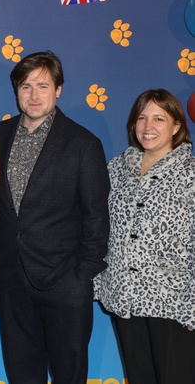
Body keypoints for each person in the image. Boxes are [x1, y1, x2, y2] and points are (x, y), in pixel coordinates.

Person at [0, 51, 110, 383]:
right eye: (26, 86)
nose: (34, 95)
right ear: (17, 90)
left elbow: (97, 218)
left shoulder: (83, 144)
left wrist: (80, 276)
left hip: (64, 282)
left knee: (68, 375)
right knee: (21, 373)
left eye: (43, 86)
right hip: (11, 281)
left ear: (58, 90)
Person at [94, 89, 195, 384]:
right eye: (142, 118)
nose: (148, 126)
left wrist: (192, 308)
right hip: (124, 300)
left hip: (174, 304)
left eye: (159, 118)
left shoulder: (190, 174)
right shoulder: (116, 169)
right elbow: (100, 228)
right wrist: (100, 282)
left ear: (176, 126)